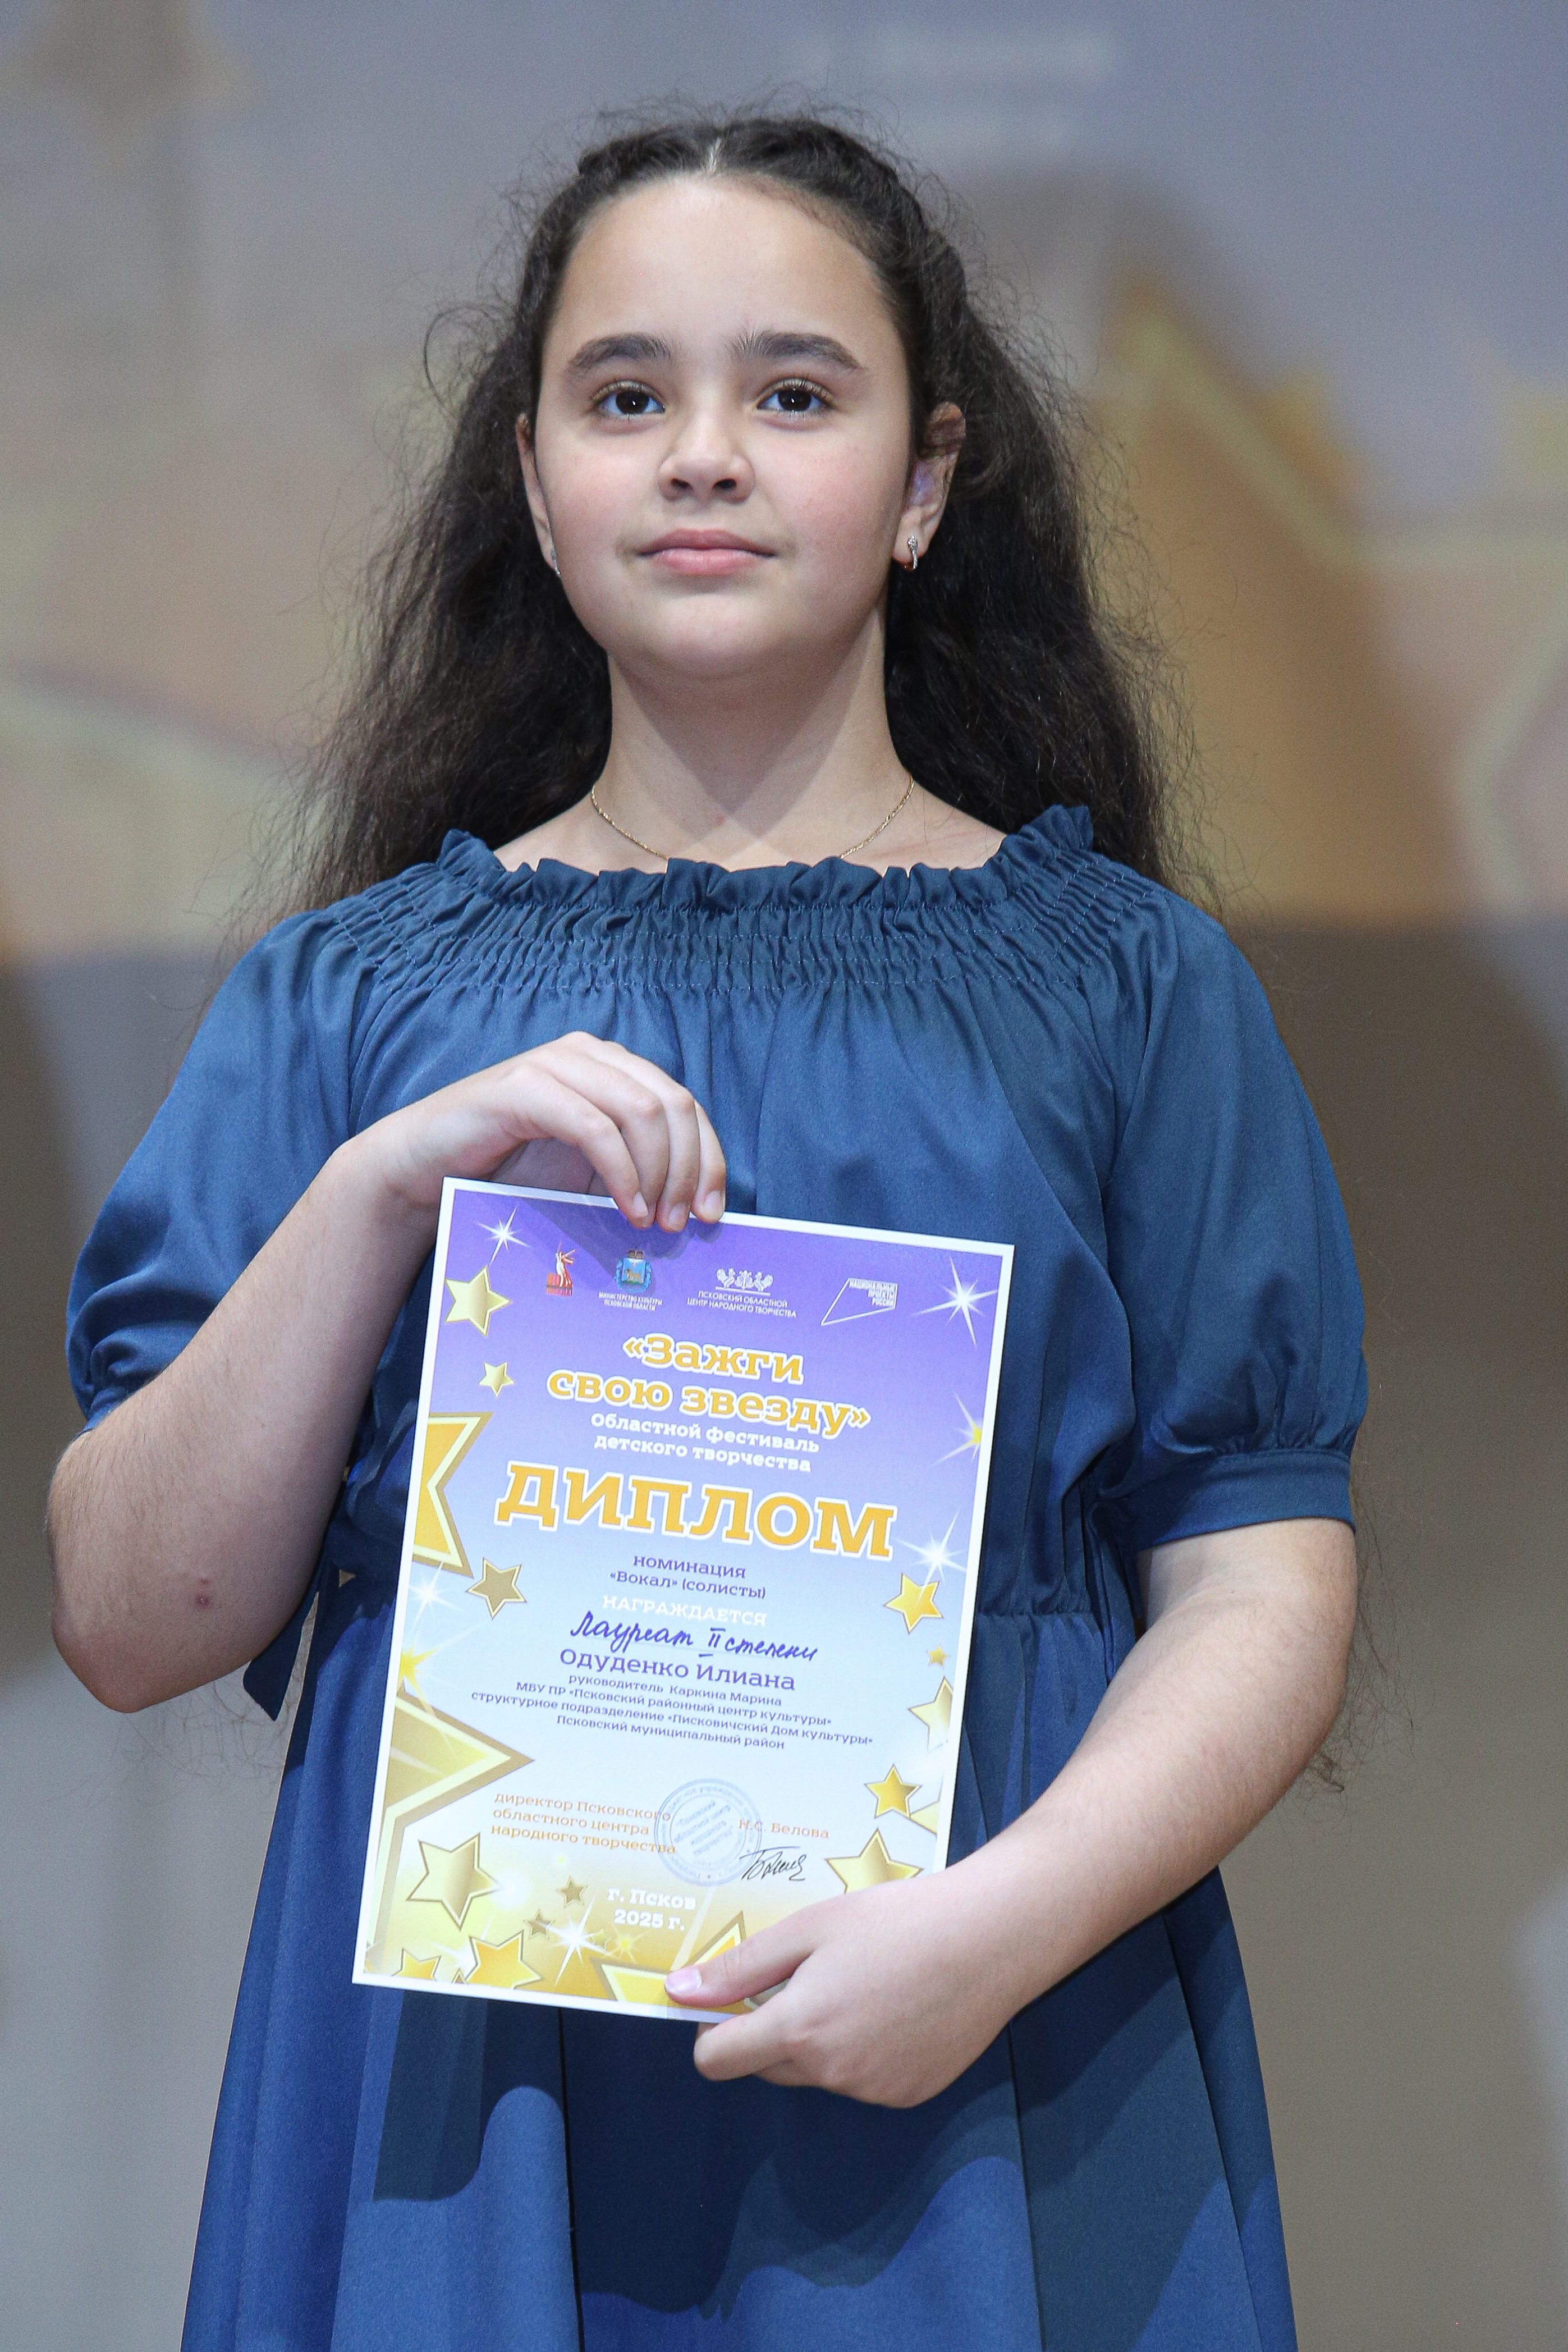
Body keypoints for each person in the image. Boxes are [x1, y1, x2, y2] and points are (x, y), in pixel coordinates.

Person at [49, 114, 1364, 2352]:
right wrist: (381, 1193)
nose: (705, 455)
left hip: (991, 2044)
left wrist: (990, 1932)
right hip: (471, 2100)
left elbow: (1258, 1570)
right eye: (626, 393)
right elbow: (131, 1611)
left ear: (925, 481)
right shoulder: (348, 1000)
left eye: (795, 391)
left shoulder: (1126, 989)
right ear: (534, 477)